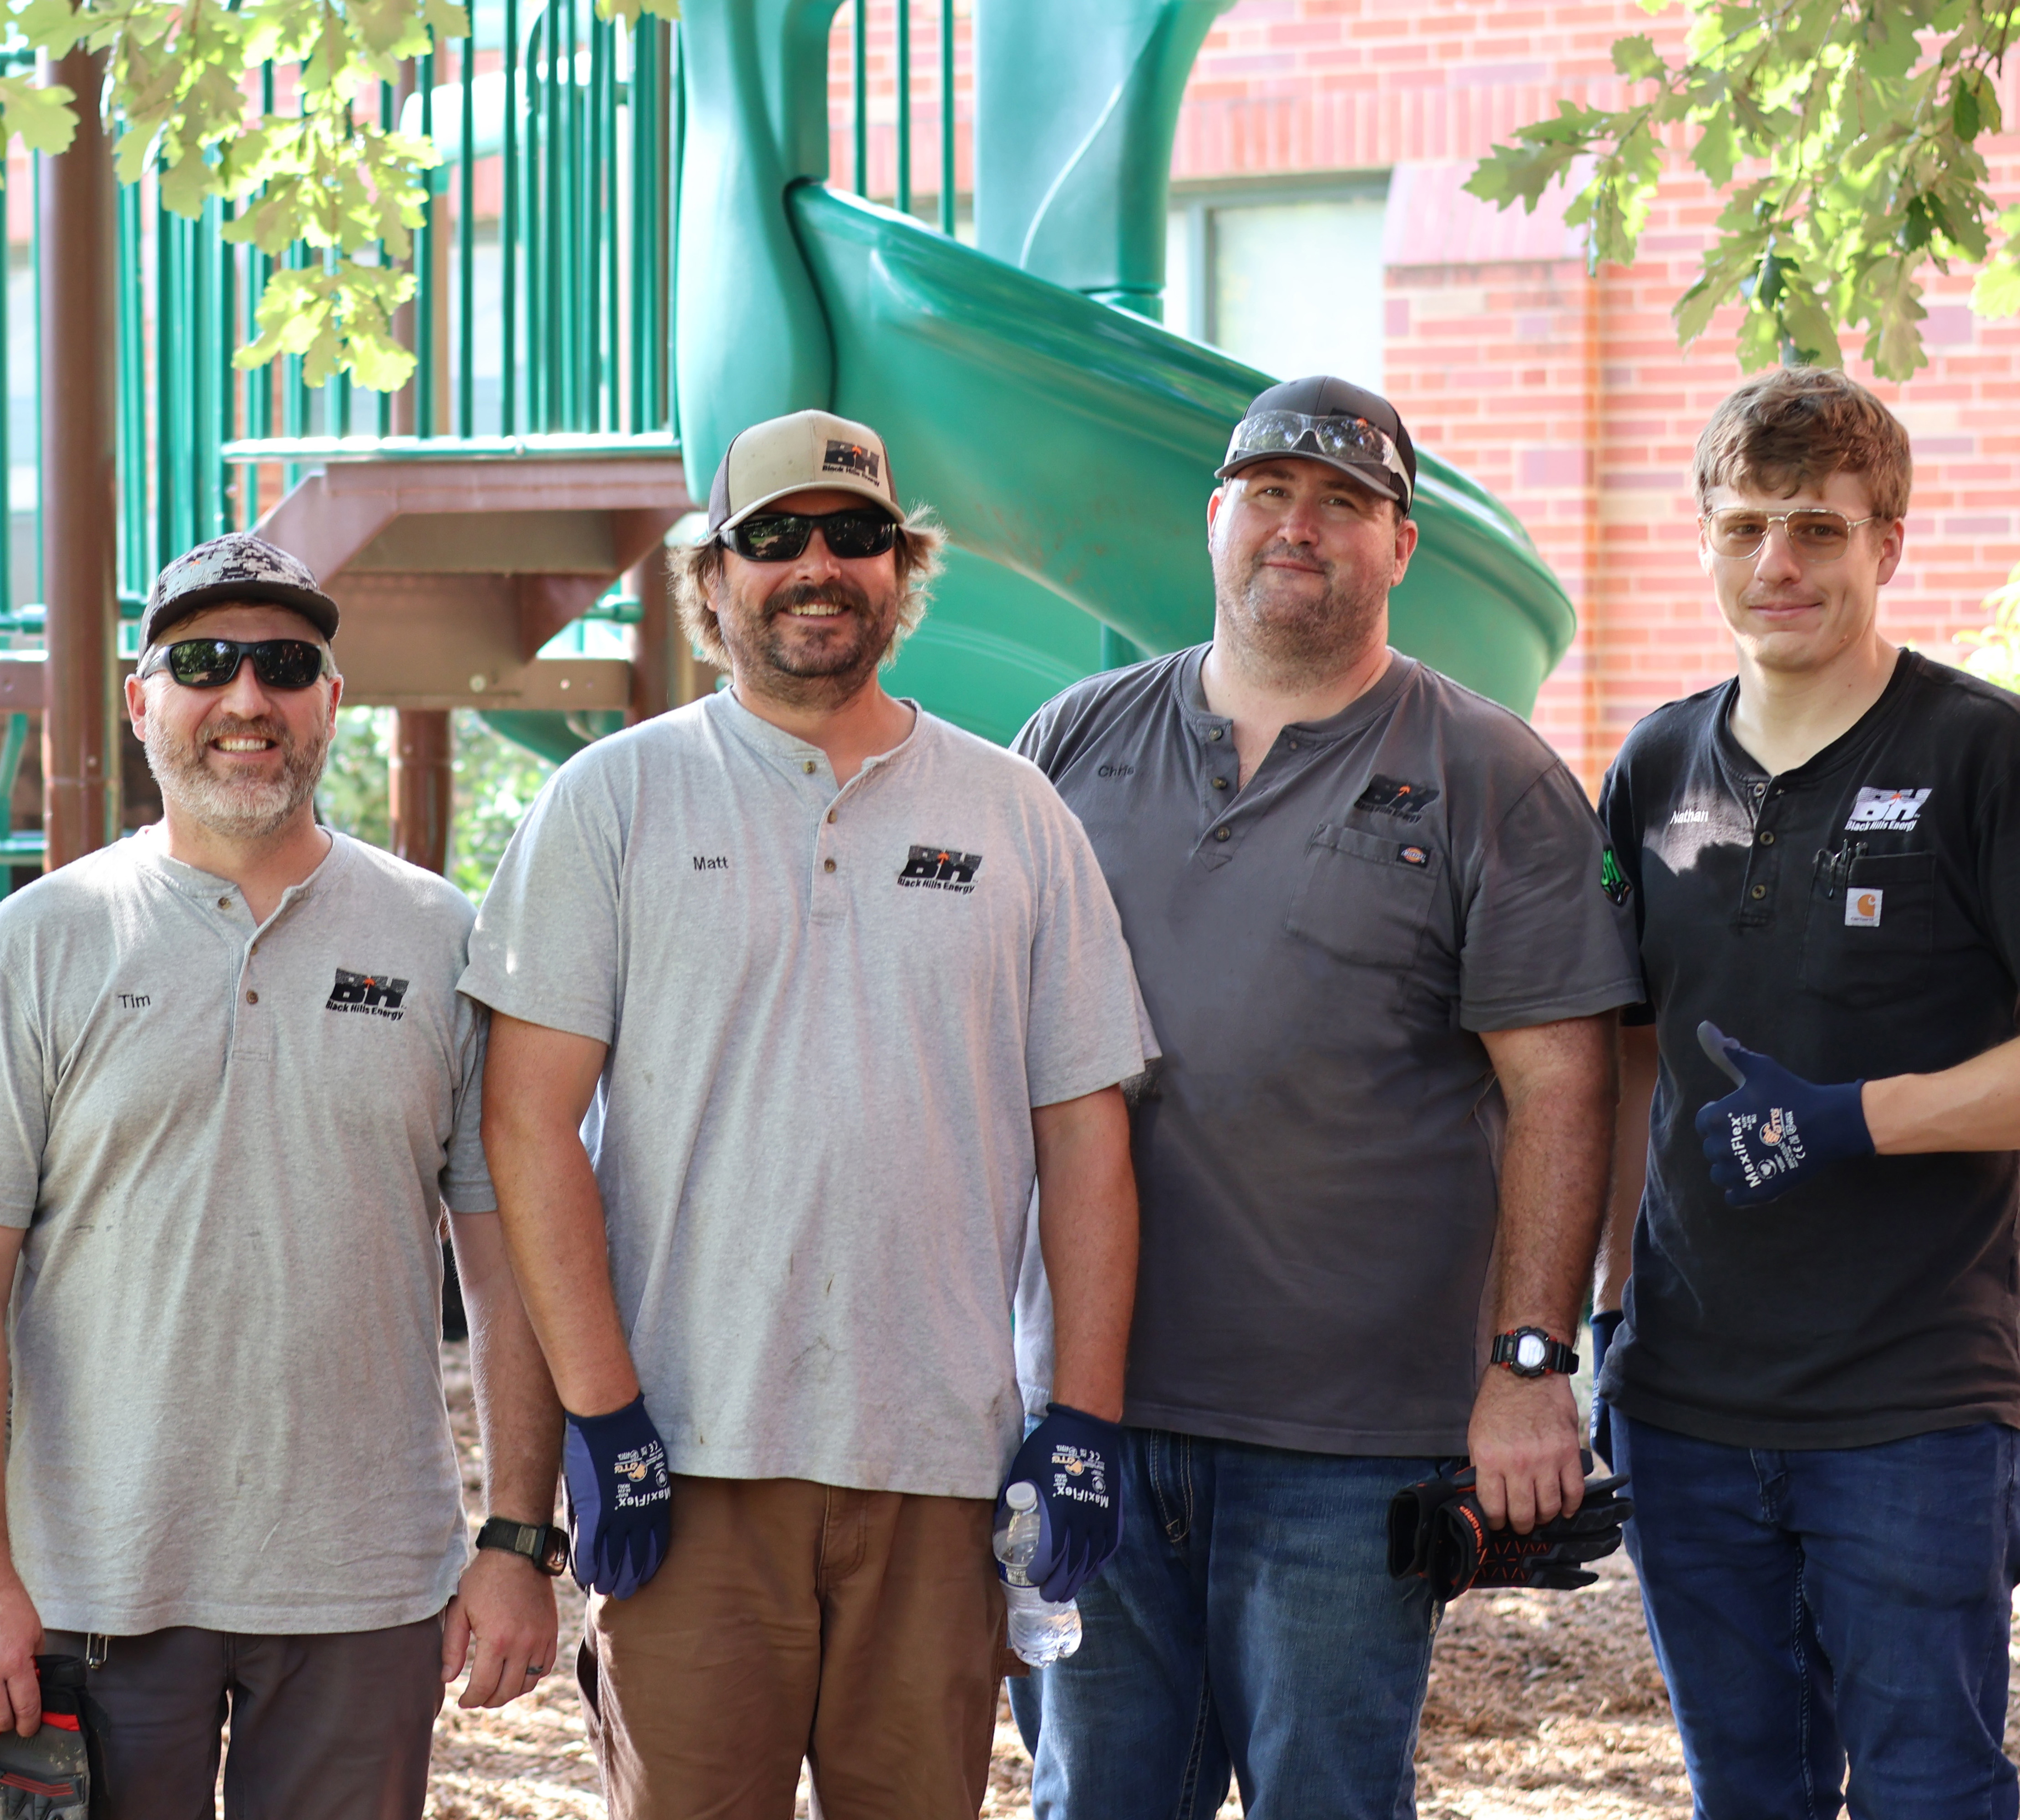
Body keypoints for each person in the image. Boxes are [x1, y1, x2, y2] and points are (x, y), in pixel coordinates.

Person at [467, 408, 1152, 1820]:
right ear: (710, 579)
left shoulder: (1017, 813)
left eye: (856, 536)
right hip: (689, 1458)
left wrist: (1081, 1413)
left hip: (941, 1466)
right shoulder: (611, 801)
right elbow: (525, 1127)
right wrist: (604, 1420)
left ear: (905, 569)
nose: (817, 565)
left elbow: (1087, 1135)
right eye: (772, 539)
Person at [1011, 376, 1641, 1818]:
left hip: (1352, 1445)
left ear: (1400, 547)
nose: (1304, 527)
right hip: (1090, 1406)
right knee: (1093, 1795)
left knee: (1329, 1800)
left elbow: (1562, 1085)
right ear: (1217, 518)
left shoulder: (1488, 775)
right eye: (1274, 494)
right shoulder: (1068, 747)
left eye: (1348, 504)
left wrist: (1532, 1365)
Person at [0, 531, 562, 1820]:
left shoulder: (440, 940)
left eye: (283, 665)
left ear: (330, 703)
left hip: (362, 1588)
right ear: (142, 700)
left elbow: (509, 1260)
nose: (246, 699)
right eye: (203, 663)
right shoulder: (38, 946)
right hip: (91, 1589)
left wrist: (518, 1540)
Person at [1596, 365, 2020, 1818]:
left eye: (1819, 531)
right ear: (1704, 536)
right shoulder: (1655, 765)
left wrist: (1852, 1119)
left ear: (1886, 545)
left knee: (1932, 1791)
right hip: (1686, 1399)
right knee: (1747, 1795)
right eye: (1747, 526)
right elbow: (1631, 1055)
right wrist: (1604, 1315)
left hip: (1916, 1402)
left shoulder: (1982, 755)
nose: (1778, 564)